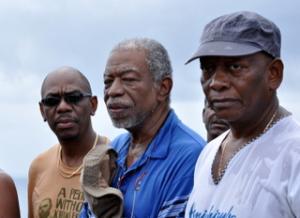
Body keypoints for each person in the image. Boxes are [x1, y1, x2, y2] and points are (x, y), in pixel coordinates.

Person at [185, 11, 300, 218]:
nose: (216, 82)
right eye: (208, 68)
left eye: (235, 67)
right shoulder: (208, 153)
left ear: (273, 74)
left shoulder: (294, 156)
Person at [81, 38, 205, 218]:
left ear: (163, 88)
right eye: (108, 81)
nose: (113, 91)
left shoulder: (190, 156)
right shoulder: (115, 149)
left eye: (129, 79)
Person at [28, 66, 110, 218]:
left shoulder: (114, 161)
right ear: (42, 111)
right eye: (52, 101)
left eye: (73, 98)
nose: (63, 107)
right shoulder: (39, 167)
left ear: (93, 105)